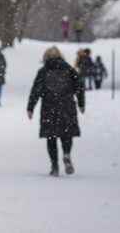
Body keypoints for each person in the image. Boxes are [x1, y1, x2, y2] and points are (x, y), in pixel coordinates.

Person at [27, 47, 85, 177]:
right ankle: (66, 154)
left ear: (45, 57)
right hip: (67, 106)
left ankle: (54, 166)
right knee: (66, 134)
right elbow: (79, 86)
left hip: (49, 107)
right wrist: (81, 103)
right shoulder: (70, 69)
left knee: (51, 137)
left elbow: (36, 90)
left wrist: (30, 107)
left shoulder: (43, 71)